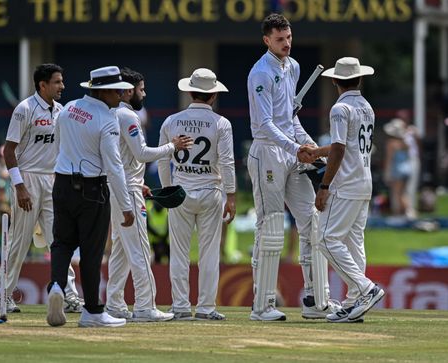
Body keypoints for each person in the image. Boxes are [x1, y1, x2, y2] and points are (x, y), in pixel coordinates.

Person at [246, 13, 337, 321]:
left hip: (290, 152)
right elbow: (265, 123)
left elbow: (290, 119)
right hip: (268, 152)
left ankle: (315, 299)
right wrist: (295, 148)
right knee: (270, 226)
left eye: (289, 38)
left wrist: (311, 147)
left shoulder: (294, 67)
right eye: (280, 39)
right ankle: (262, 305)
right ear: (267, 40)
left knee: (311, 221)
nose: (286, 44)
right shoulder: (260, 73)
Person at [47, 66, 135, 328]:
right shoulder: (108, 120)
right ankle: (93, 311)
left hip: (62, 182)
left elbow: (58, 145)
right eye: (117, 90)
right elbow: (114, 165)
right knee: (91, 251)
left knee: (61, 243)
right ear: (103, 91)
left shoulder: (68, 108)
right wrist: (127, 205)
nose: (121, 95)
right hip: (92, 188)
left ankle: (56, 286)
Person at [105, 67, 192, 322]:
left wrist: (137, 181)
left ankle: (114, 304)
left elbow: (123, 157)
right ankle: (145, 306)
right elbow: (142, 153)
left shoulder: (113, 114)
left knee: (121, 251)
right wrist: (172, 147)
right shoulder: (128, 115)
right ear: (128, 91)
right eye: (141, 89)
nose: (144, 93)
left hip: (119, 187)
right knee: (141, 250)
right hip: (127, 190)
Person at [0, 64, 82, 313]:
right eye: (57, 82)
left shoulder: (62, 111)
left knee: (60, 241)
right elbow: (9, 151)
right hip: (28, 180)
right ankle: (2, 295)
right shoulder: (25, 109)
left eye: (62, 81)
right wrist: (19, 186)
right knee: (20, 242)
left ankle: (68, 295)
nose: (62, 86)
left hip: (54, 181)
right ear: (42, 85)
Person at [309, 57, 385, 322]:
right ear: (360, 79)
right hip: (364, 182)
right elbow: (347, 145)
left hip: (346, 183)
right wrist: (319, 151)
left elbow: (340, 148)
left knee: (326, 240)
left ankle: (366, 289)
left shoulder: (340, 108)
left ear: (334, 81)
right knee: (354, 242)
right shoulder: (366, 106)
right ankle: (354, 302)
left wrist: (324, 185)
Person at [158, 68, 236, 320]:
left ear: (190, 92)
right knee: (209, 253)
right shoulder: (221, 123)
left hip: (180, 191)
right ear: (212, 95)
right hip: (210, 191)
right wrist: (231, 195)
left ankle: (180, 306)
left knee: (179, 252)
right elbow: (227, 162)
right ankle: (205, 307)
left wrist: (168, 188)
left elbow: (162, 160)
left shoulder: (171, 121)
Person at [383, 118, 411, 216]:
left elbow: (389, 159)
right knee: (403, 193)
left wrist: (386, 173)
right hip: (407, 169)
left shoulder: (391, 143)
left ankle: (405, 213)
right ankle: (406, 212)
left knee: (397, 194)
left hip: (397, 170)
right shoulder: (405, 144)